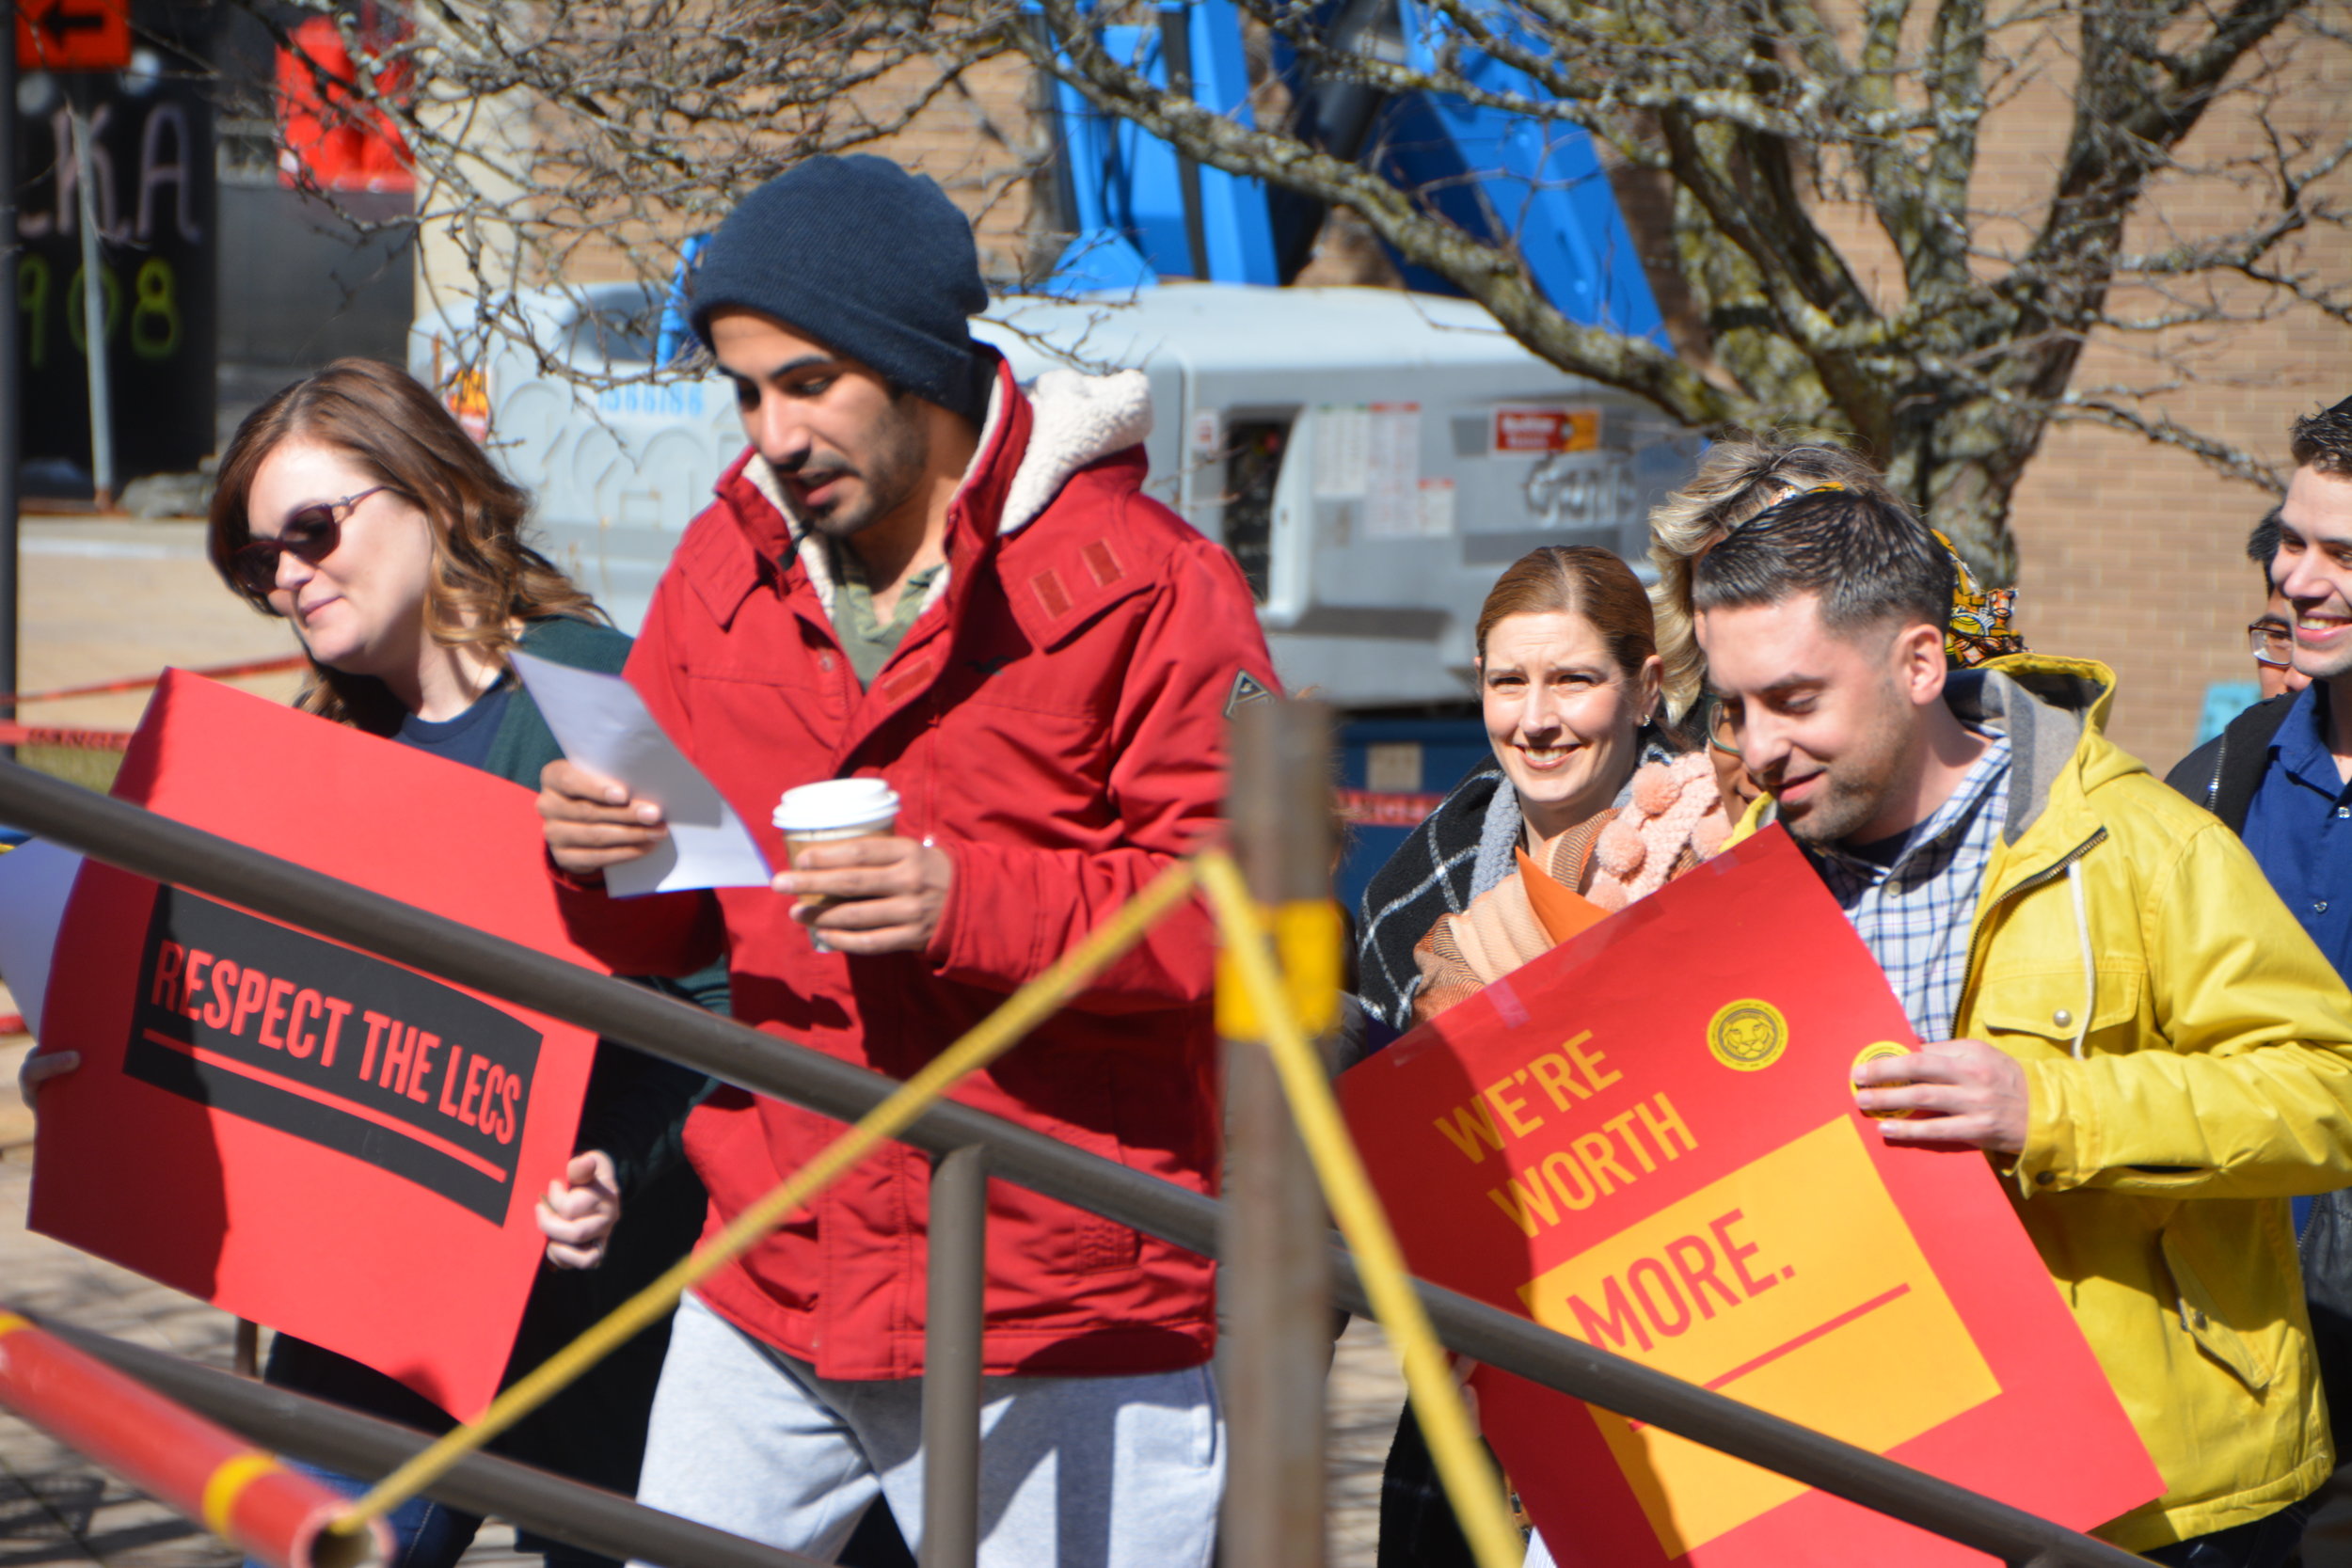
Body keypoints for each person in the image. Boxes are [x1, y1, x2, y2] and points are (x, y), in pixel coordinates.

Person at [532, 155, 1276, 1568]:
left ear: (918, 363)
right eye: (745, 389)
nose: (772, 429)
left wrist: (963, 900)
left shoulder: (1154, 579)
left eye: (808, 380)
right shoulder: (719, 566)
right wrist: (594, 859)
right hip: (776, 1262)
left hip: (1058, 1294)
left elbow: (1245, 923)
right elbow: (655, 940)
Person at [24, 357, 718, 1568]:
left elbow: (723, 1002)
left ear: (435, 493)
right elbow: (283, 1035)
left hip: (603, 1318)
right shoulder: (315, 755)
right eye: (257, 561)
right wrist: (108, 1086)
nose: (288, 576)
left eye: (312, 528)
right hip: (379, 1319)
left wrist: (618, 1159)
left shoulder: (594, 692)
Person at [1695, 481, 2352, 1563]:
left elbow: (2325, 1088)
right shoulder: (1735, 880)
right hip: (1862, 1472)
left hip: (2149, 1499)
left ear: (1917, 665)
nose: (1759, 749)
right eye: (1736, 707)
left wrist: (2048, 1107)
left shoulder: (2140, 841)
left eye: (1795, 700)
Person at [1372, 546, 1725, 1567]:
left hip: (1692, 1348)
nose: (1535, 717)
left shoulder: (1723, 850)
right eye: (1506, 680)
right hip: (1481, 1372)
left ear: (1647, 686)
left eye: (1572, 678)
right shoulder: (1416, 874)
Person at [2164, 402, 2352, 1567]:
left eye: (2343, 553)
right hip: (2242, 1335)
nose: (2299, 578)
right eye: (2292, 541)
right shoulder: (2220, 776)